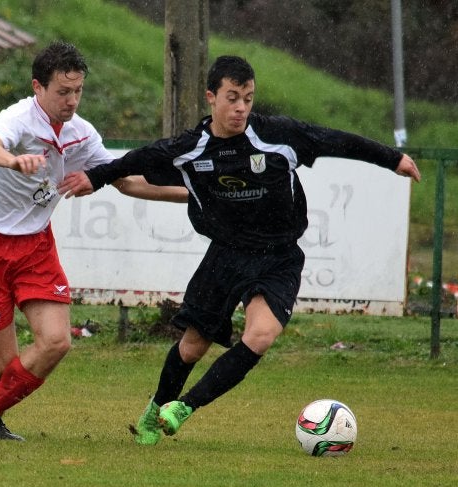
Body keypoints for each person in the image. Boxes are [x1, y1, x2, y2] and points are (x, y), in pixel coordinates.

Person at [57, 55, 421, 445]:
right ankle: (157, 407)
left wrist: (392, 158)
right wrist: (94, 177)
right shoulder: (191, 148)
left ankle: (184, 407)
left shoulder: (277, 135)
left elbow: (336, 140)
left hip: (279, 256)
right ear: (211, 98)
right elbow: (139, 159)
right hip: (225, 256)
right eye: (232, 98)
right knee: (193, 346)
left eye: (248, 98)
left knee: (261, 335)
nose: (241, 108)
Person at [0, 41, 187, 441]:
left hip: (34, 246)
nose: (72, 100)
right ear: (38, 87)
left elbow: (126, 181)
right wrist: (13, 160)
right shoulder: (18, 120)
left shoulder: (82, 134)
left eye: (78, 90)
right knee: (3, 363)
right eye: (63, 91)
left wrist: (192, 194)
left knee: (57, 342)